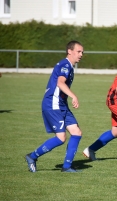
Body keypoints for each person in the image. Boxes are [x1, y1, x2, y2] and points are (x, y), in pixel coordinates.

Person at [24, 40, 84, 173]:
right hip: (53, 104)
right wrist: (74, 96)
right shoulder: (65, 64)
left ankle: (67, 167)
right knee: (61, 137)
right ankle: (32, 156)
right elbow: (60, 83)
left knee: (76, 132)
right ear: (70, 51)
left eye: (82, 52)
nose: (81, 54)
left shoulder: (69, 67)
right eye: (78, 51)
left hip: (61, 105)